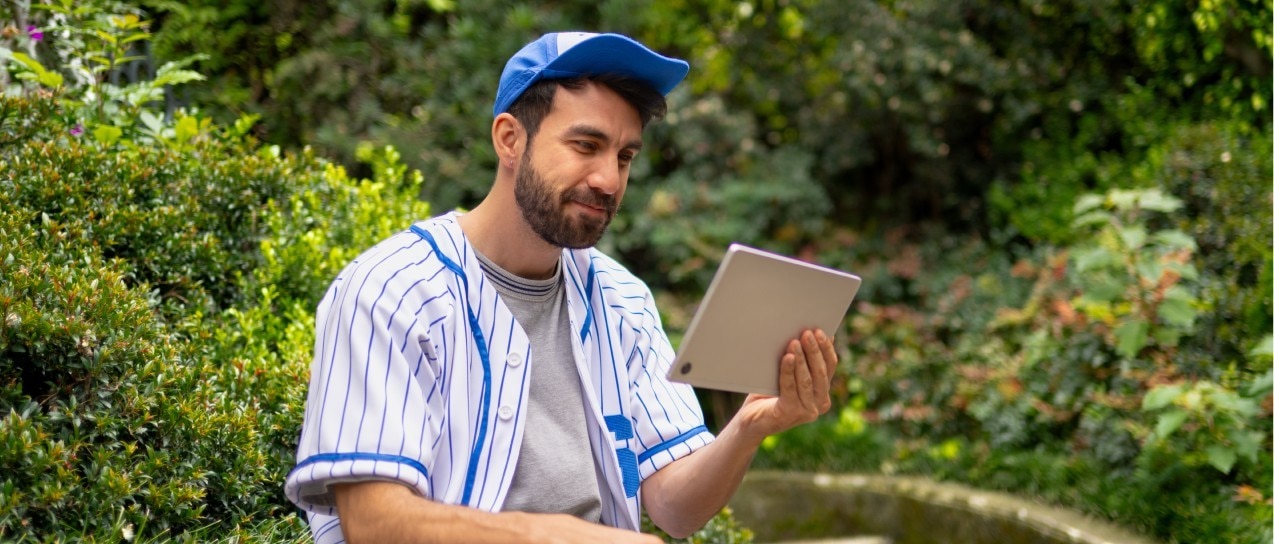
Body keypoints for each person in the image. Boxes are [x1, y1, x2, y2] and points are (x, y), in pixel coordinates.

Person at [283, 31, 840, 544]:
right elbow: (373, 521)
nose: (608, 180)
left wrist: (748, 427)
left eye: (624, 156)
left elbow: (675, 509)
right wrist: (549, 536)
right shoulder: (390, 290)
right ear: (509, 139)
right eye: (585, 145)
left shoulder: (622, 299)